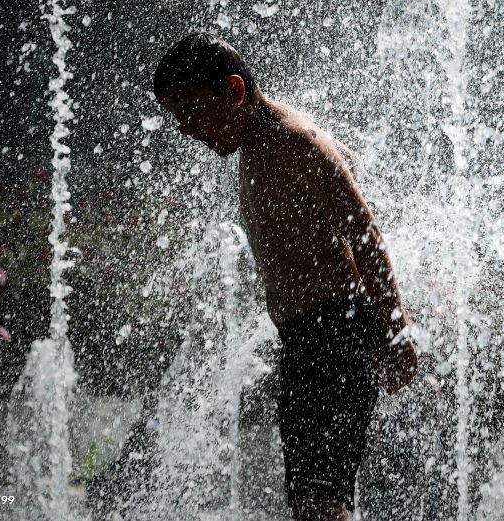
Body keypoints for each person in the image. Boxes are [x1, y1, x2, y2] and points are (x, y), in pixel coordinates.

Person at [153, 30, 418, 521]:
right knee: (314, 504)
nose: (186, 130)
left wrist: (398, 334)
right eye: (177, 119)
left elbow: (365, 234)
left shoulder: (291, 141)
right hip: (307, 340)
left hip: (337, 335)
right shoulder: (259, 141)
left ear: (233, 91)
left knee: (321, 503)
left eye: (190, 111)